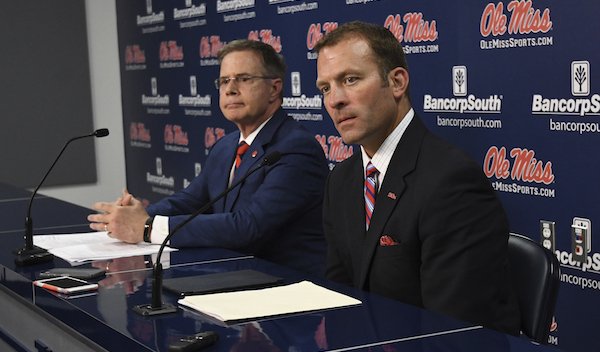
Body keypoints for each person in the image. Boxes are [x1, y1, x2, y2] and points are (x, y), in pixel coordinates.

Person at [314, 21, 520, 334]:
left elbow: (456, 334)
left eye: (351, 79)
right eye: (325, 88)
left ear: (397, 82)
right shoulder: (341, 180)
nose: (335, 100)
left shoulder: (450, 180)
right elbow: (342, 301)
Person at [88, 39, 328, 275]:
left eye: (244, 79)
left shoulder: (295, 148)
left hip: (288, 286)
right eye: (224, 81)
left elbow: (249, 226)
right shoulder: (226, 146)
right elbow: (190, 201)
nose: (230, 89)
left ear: (274, 89)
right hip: (234, 276)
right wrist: (137, 215)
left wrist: (148, 228)